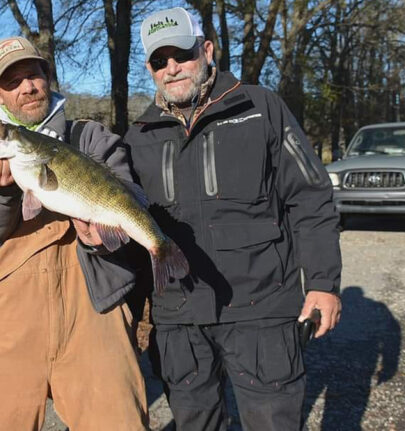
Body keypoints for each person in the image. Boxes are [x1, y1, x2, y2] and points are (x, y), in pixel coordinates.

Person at [124, 7, 343, 430]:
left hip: (262, 310)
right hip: (179, 318)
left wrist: (321, 283)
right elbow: (131, 228)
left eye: (182, 55)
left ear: (206, 50)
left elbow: (311, 199)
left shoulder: (262, 108)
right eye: (158, 61)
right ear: (150, 69)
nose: (172, 69)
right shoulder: (138, 136)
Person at [0, 36, 148, 430]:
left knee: (118, 421)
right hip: (4, 315)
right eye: (12, 81)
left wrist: (98, 238)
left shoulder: (92, 138)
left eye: (33, 75)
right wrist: (1, 194)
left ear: (47, 78)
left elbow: (121, 202)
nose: (27, 88)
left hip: (93, 307)